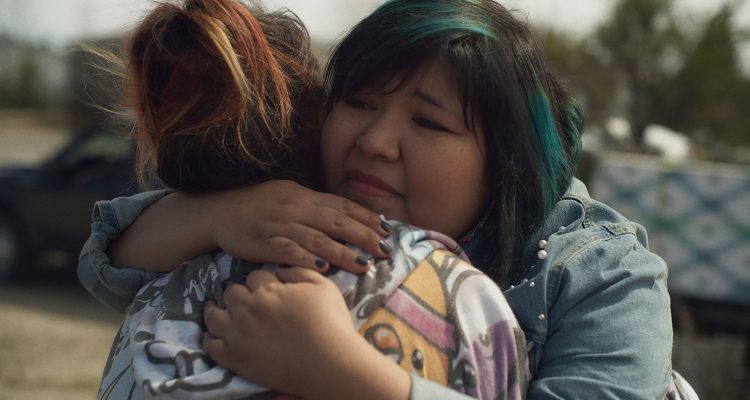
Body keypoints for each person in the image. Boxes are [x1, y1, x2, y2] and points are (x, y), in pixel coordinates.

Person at [79, 0, 681, 398]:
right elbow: (107, 263)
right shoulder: (306, 196)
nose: (374, 142)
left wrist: (340, 372)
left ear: (507, 161)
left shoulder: (600, 272)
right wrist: (216, 215)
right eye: (360, 103)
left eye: (428, 122)